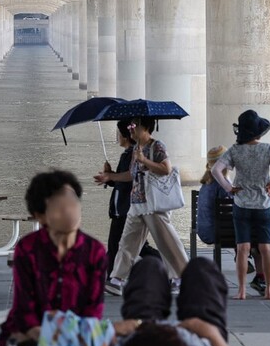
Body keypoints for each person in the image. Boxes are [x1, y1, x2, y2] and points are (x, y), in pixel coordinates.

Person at [0, 169, 107, 346]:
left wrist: (71, 339)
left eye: (72, 202)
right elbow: (24, 309)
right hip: (31, 335)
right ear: (41, 216)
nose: (69, 210)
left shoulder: (95, 251)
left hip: (77, 337)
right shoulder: (28, 249)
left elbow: (93, 310)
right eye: (59, 205)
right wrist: (48, 338)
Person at [113, 256, 246, 346]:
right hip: (201, 336)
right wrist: (211, 333)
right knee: (201, 268)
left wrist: (113, 331)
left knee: (149, 266)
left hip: (144, 336)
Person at [104, 117, 189, 296]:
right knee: (127, 241)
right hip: (137, 202)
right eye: (130, 125)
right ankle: (117, 279)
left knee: (166, 240)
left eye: (134, 125)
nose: (130, 129)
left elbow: (166, 169)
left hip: (154, 203)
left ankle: (181, 276)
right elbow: (131, 175)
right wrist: (110, 176)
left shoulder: (156, 146)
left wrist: (144, 160)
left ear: (146, 127)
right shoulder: (136, 148)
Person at [211, 110, 270, 300]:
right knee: (265, 249)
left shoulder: (235, 150)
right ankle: (269, 291)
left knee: (243, 249)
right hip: (264, 204)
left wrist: (229, 188)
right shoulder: (268, 149)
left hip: (242, 205)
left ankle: (241, 291)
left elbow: (215, 170)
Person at [93, 118, 160, 270]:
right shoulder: (129, 154)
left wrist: (110, 176)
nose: (117, 137)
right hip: (124, 208)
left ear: (125, 136)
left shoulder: (133, 154)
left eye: (118, 133)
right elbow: (122, 179)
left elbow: (130, 178)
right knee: (132, 245)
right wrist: (109, 175)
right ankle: (113, 276)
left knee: (119, 245)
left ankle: (112, 278)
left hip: (125, 208)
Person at [196, 146, 259, 278]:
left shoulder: (206, 182)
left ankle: (241, 253)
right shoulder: (222, 184)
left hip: (203, 229)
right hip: (217, 231)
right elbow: (230, 211)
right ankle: (246, 256)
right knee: (252, 228)